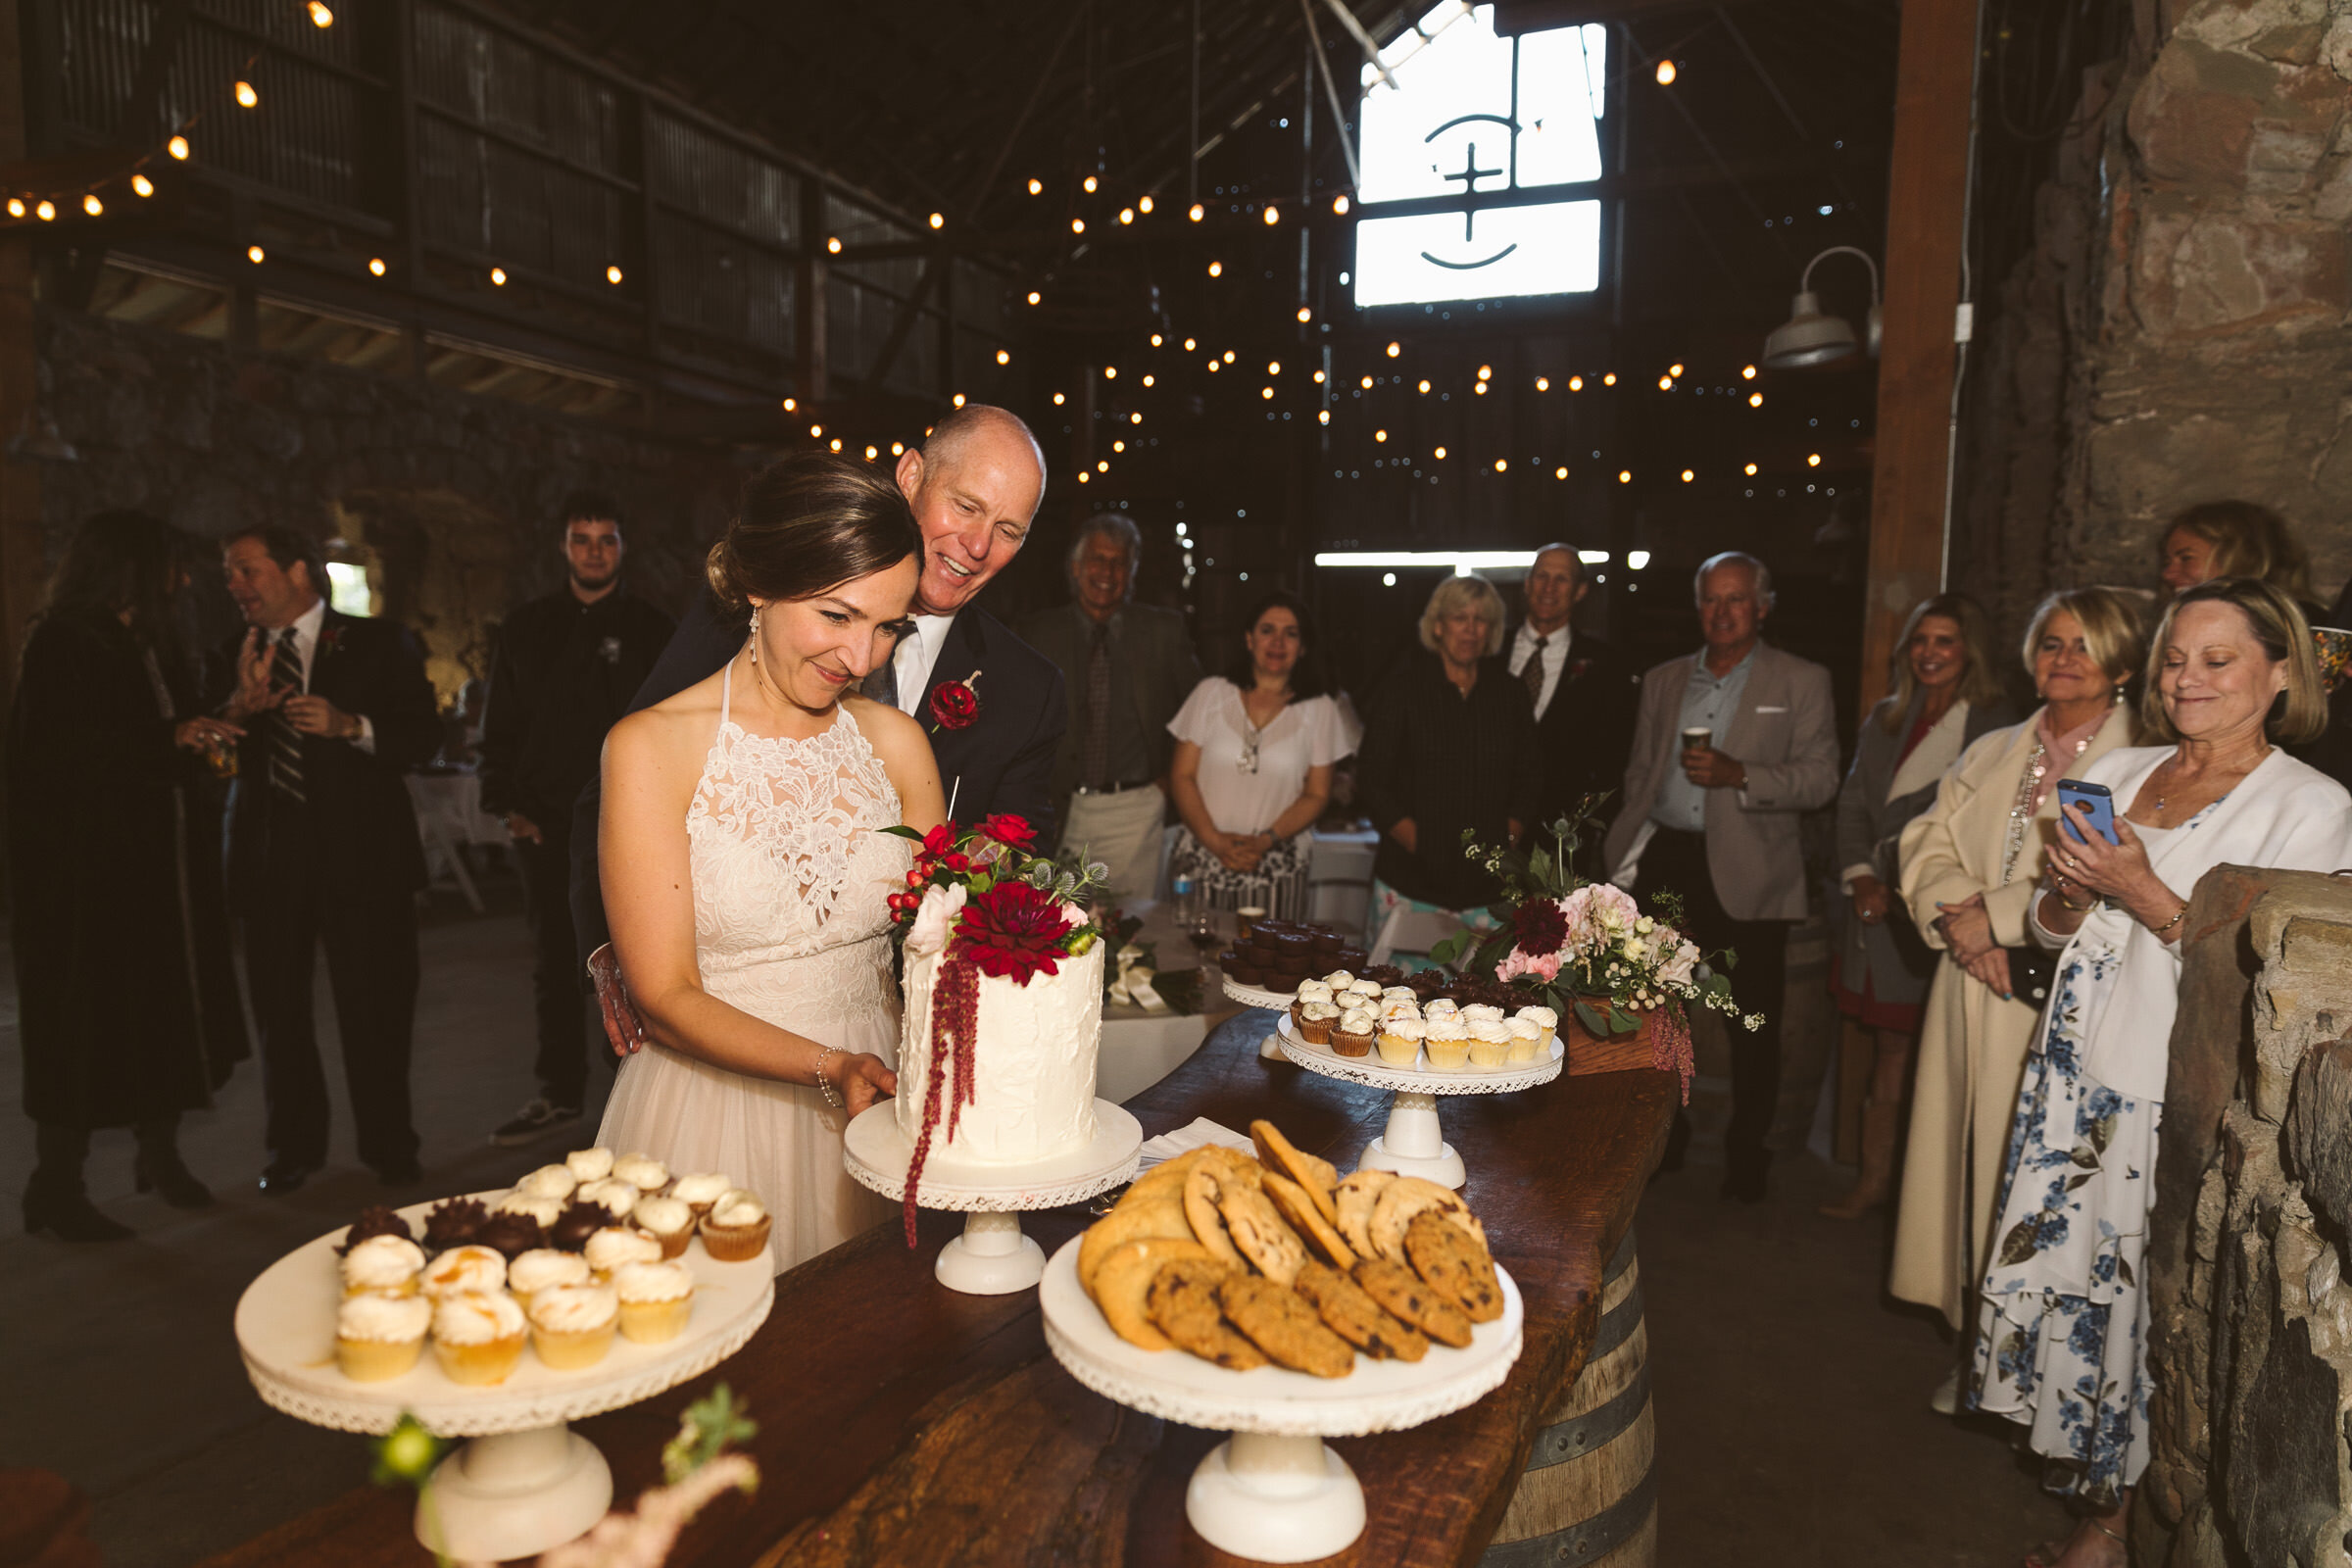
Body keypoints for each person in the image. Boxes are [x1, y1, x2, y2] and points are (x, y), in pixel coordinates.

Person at [1974, 576, 2352, 1566]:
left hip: (2168, 1098)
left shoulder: (2311, 807)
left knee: (2152, 1320)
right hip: (2073, 1076)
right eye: (2176, 658)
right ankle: (2100, 1506)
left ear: (2279, 674)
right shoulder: (2127, 762)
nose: (2187, 680)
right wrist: (2064, 894)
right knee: (2085, 1303)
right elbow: (2054, 932)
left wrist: (2140, 889)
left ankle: (2112, 1529)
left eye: (2218, 660)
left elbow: (2260, 985)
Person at [575, 405, 1064, 1035]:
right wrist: (614, 943)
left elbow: (1019, 860)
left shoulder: (1029, 689)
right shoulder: (773, 591)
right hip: (719, 1008)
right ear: (911, 475)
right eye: (966, 507)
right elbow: (629, 768)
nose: (977, 547)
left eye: (1009, 530)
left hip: (898, 1026)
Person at [596, 454, 941, 1273]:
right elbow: (665, 993)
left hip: (887, 1096)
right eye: (836, 615)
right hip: (715, 1108)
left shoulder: (898, 746)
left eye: (888, 626)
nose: (862, 657)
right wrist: (831, 1065)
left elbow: (941, 944)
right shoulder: (651, 747)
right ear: (757, 586)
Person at [1892, 586, 2144, 1409]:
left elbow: (2114, 874)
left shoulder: (2141, 758)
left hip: (2056, 992)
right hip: (1968, 985)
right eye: (2051, 643)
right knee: (1969, 1160)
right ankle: (1975, 1347)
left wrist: (1997, 923)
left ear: (2123, 664)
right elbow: (1924, 837)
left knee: (2032, 1175)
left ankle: (2033, 1370)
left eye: (2083, 645)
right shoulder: (1995, 745)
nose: (2063, 659)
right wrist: (1964, 923)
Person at [10, 513, 248, 1240]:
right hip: (86, 883)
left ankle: (160, 1157)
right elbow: (57, 759)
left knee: (160, 1017)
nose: (179, 580)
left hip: (161, 878)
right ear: (129, 566)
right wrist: (167, 738)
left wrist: (215, 723)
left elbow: (160, 744)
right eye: (169, 566)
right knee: (84, 1026)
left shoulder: (151, 642)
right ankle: (55, 1185)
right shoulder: (65, 642)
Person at [1602, 552, 1838, 1200]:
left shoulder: (1801, 680)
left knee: (1753, 1019)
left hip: (1750, 869)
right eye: (1712, 599)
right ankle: (1663, 1141)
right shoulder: (1664, 679)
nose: (1723, 612)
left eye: (1737, 600)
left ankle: (1748, 1155)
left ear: (1763, 607)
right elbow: (1640, 769)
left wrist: (1743, 777)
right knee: (1656, 1014)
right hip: (1666, 860)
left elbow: (1821, 778)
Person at [217, 524, 442, 1195]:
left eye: (246, 571)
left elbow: (424, 736)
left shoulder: (379, 641)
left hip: (363, 859)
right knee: (279, 1013)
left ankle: (390, 1146)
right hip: (268, 861)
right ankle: (292, 1148)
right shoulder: (235, 652)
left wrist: (353, 727)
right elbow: (207, 755)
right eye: (230, 574)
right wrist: (239, 706)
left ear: (297, 572)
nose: (236, 587)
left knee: (375, 1009)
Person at [478, 493, 675, 1146]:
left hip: (636, 822)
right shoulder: (527, 627)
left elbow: (675, 723)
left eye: (606, 538)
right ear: (564, 547)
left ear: (622, 547)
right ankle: (559, 1092)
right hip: (547, 825)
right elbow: (499, 722)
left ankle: (635, 1090)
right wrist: (508, 807)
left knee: (639, 957)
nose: (594, 550)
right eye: (582, 539)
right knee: (554, 963)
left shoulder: (652, 628)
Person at [1820, 594, 2014, 1220]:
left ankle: (1926, 1202)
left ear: (1970, 650)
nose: (1930, 654)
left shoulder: (1996, 726)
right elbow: (1851, 806)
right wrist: (1860, 879)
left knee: (1938, 1051)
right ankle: (1876, 1183)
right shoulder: (1887, 716)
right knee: (1890, 1048)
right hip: (1876, 904)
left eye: (1946, 641)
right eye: (1920, 641)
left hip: (1944, 907)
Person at [1018, 514, 1200, 900]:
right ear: (1076, 567)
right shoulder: (1037, 633)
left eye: (1119, 562)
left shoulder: (1164, 632)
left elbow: (1198, 711)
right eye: (1098, 559)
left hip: (1136, 809)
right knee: (1060, 924)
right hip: (1059, 808)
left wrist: (1170, 780)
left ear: (1132, 570)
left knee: (1135, 927)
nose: (1107, 571)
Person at [1357, 574, 1541, 951]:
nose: (1471, 630)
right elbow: (1372, 780)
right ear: (1438, 625)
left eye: (1481, 620)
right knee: (1397, 1001)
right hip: (1411, 885)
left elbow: (1531, 774)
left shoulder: (1509, 692)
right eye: (1460, 618)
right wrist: (1419, 841)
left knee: (1483, 1004)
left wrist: (1508, 834)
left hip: (1488, 891)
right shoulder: (1402, 690)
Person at [1165, 589, 1361, 919]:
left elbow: (1317, 793)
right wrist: (1215, 841)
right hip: (1202, 858)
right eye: (1267, 630)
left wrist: (1264, 842)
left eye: (1291, 633)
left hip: (1277, 863)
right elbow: (1181, 776)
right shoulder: (1210, 693)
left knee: (1270, 966)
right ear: (1249, 639)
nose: (1278, 642)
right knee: (1192, 965)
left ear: (1303, 647)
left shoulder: (1321, 708)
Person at [1508, 543, 1641, 860]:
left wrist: (1591, 832)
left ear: (1580, 591)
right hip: (1481, 833)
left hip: (1561, 845)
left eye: (1562, 579)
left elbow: (1614, 762)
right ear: (1527, 584)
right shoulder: (1488, 652)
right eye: (1541, 576)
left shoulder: (1607, 666)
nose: (1549, 587)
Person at [2154, 500, 2312, 605]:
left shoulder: (2306, 632)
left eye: (2186, 558)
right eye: (2167, 563)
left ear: (2243, 559)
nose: (2167, 574)